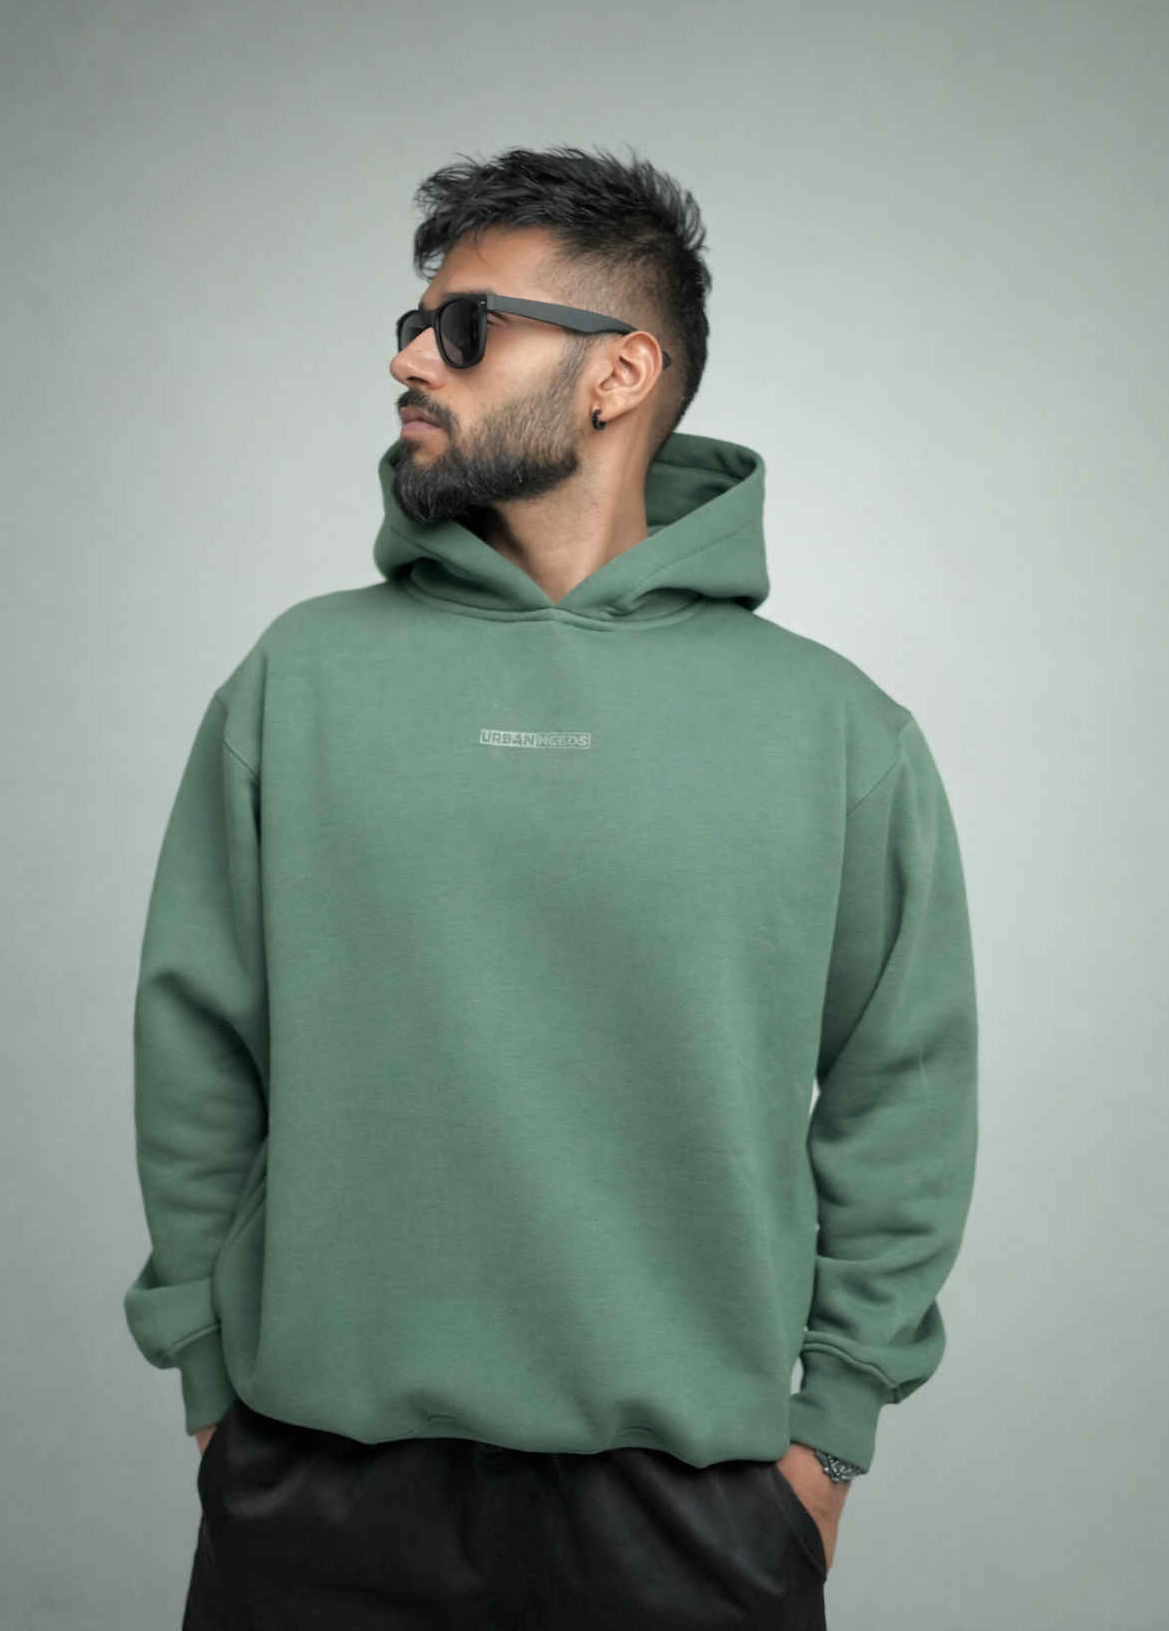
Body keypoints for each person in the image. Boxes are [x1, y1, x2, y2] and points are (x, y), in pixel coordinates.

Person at [126, 148, 978, 1631]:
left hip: (690, 1516)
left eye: (466, 328)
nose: (411, 358)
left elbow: (903, 1095)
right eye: (415, 322)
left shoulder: (836, 732)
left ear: (619, 374)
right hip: (316, 1489)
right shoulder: (299, 679)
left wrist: (829, 1437)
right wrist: (210, 1379)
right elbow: (197, 1041)